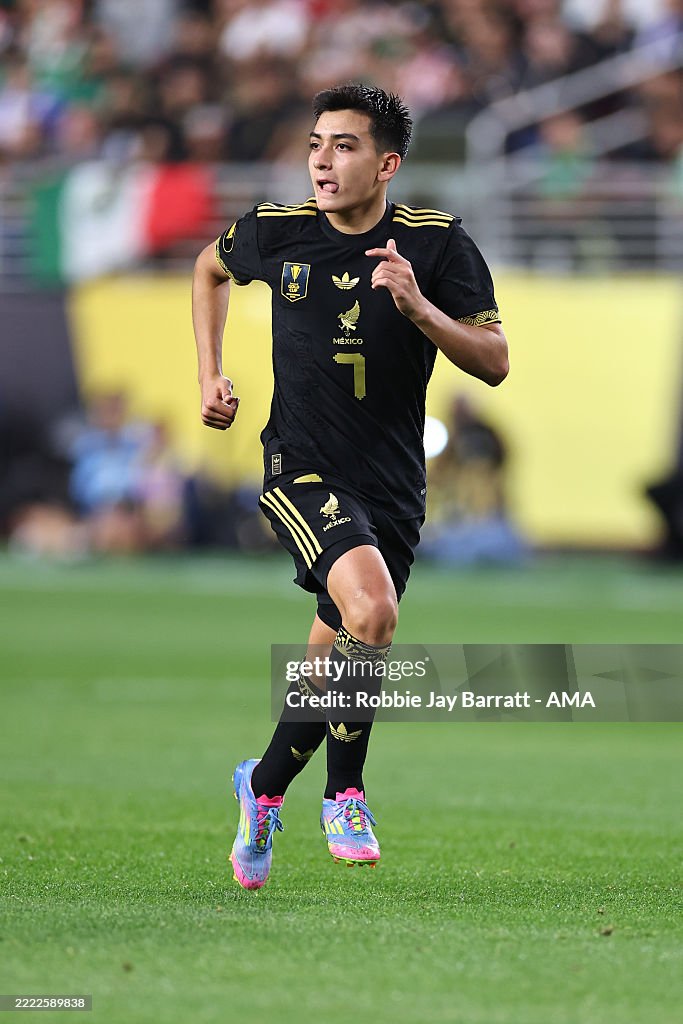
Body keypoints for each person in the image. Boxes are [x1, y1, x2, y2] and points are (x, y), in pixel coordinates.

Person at [191, 83, 509, 890]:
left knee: (331, 661)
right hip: (301, 467)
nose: (322, 162)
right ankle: (345, 792)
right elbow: (207, 270)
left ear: (387, 164)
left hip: (392, 488)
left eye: (344, 146)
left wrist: (418, 307)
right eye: (315, 145)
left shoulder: (435, 244)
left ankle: (262, 788)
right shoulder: (277, 231)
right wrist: (209, 374)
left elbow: (494, 361)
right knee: (373, 612)